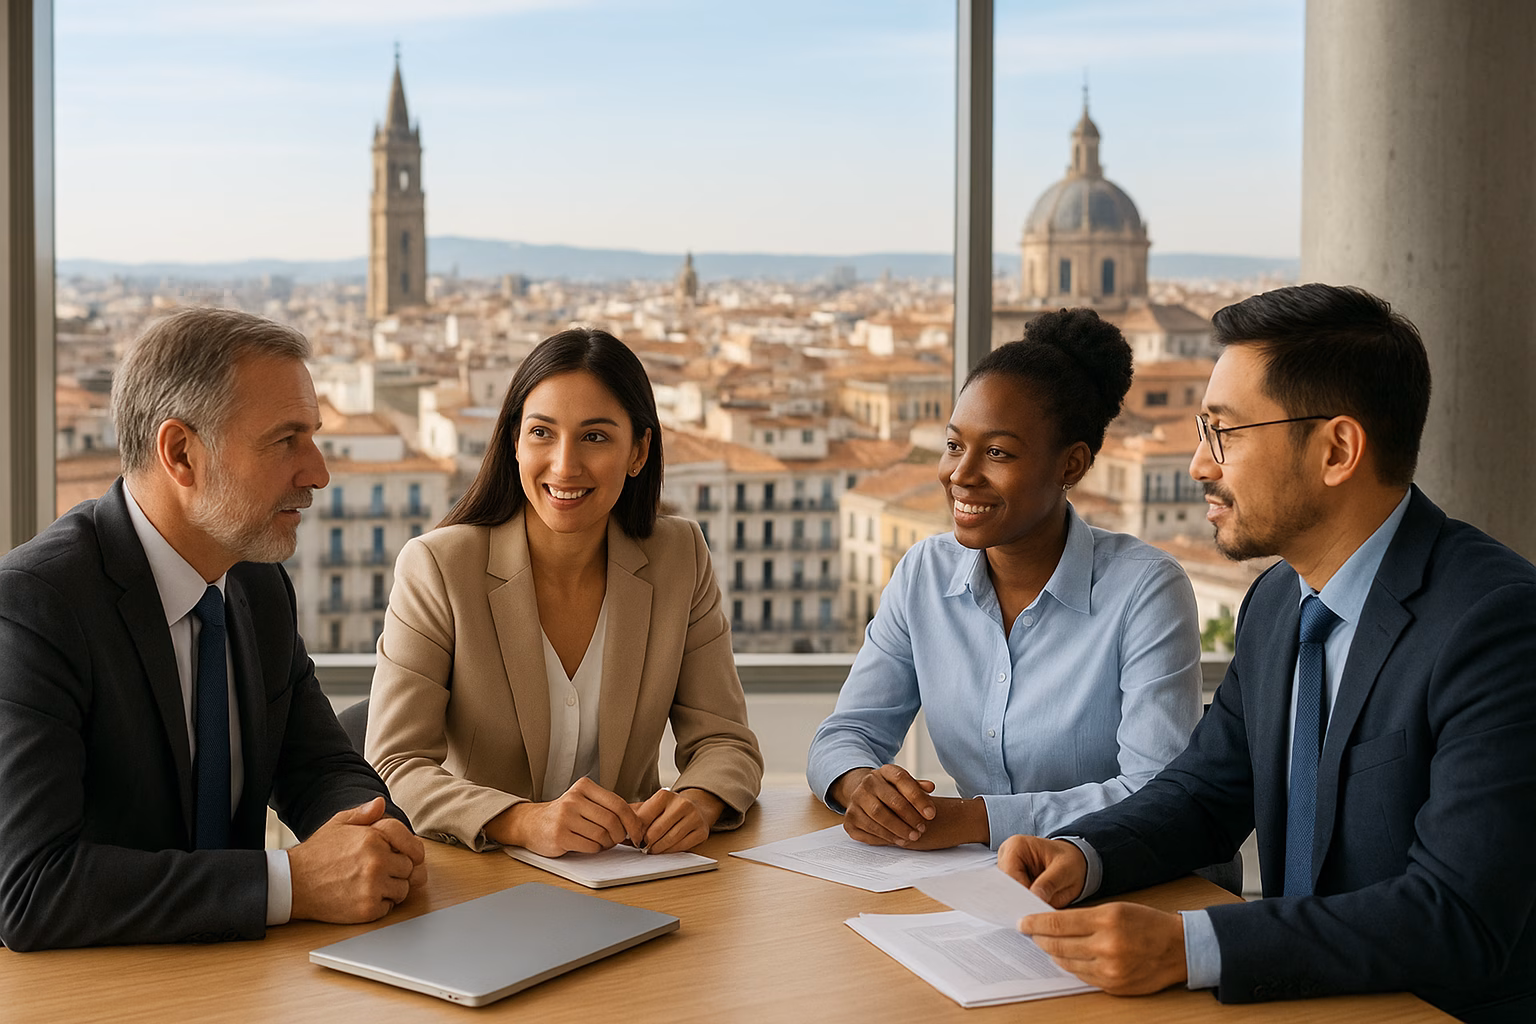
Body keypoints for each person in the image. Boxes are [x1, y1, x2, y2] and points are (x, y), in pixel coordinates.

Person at [999, 285, 1536, 1023]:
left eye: (1225, 433)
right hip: (1301, 999)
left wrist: (1190, 946)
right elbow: (1208, 792)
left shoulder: (1498, 624)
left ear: (1337, 451)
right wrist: (1085, 854)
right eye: (1202, 430)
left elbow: (1458, 915)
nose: (1198, 465)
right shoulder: (1280, 601)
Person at [0, 307, 426, 952]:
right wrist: (292, 883)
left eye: (313, 436)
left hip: (237, 980)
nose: (318, 472)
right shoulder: (35, 607)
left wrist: (373, 836)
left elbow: (316, 765)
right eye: (286, 440)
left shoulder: (254, 580)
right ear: (181, 453)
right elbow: (32, 890)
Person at [806, 308, 1203, 851]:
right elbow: (845, 734)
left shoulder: (1146, 590)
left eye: (997, 453)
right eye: (953, 445)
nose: (960, 475)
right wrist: (861, 786)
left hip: (1126, 888)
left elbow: (1156, 792)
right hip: (977, 886)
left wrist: (976, 821)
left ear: (1072, 465)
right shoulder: (924, 573)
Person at [366, 327, 763, 857]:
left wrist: (698, 799)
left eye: (595, 437)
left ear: (638, 451)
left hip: (632, 877)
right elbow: (395, 765)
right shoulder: (438, 567)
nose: (564, 465)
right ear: (514, 442)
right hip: (483, 881)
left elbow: (725, 740)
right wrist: (522, 821)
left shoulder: (679, 556)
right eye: (542, 433)